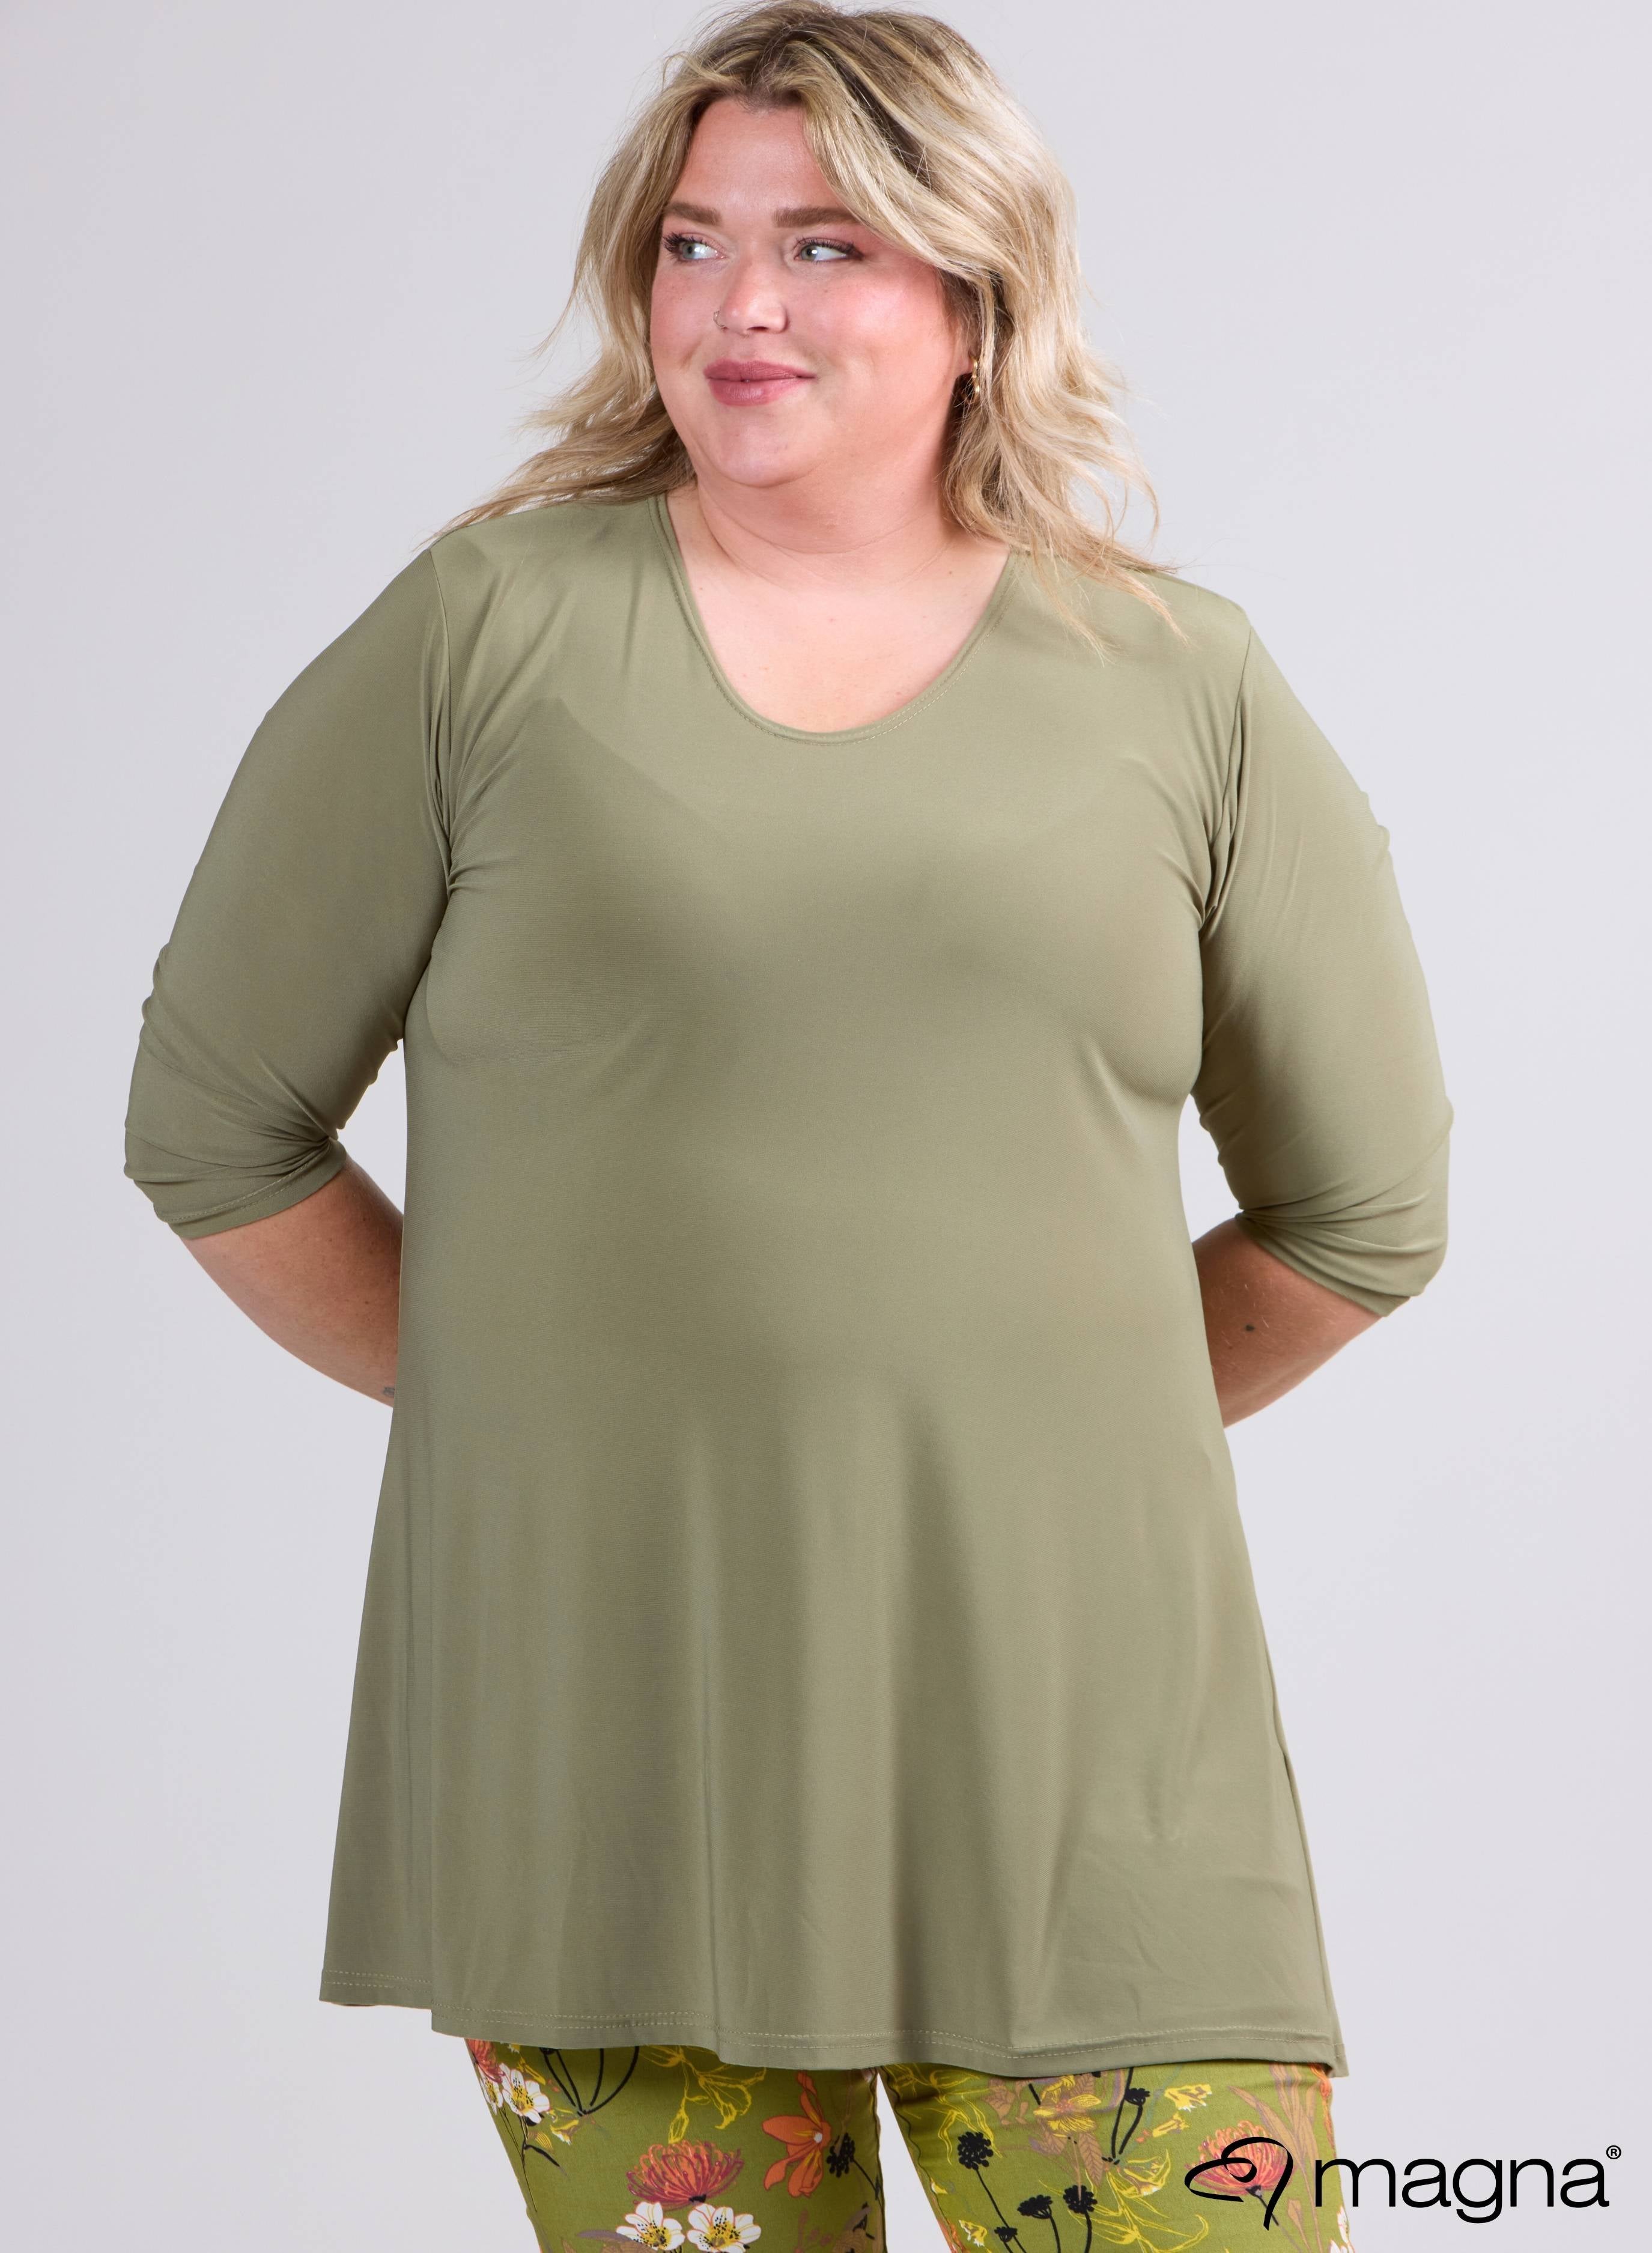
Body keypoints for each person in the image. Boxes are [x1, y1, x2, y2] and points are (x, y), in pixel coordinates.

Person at [123, 4, 1450, 2246]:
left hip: (1089, 1769)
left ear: (978, 296)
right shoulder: (483, 636)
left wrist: (1027, 1429)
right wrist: (546, 1409)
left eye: (827, 243)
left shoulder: (1179, 681)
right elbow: (214, 1128)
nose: (740, 303)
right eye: (693, 241)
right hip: (618, 1763)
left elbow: (1365, 1212)